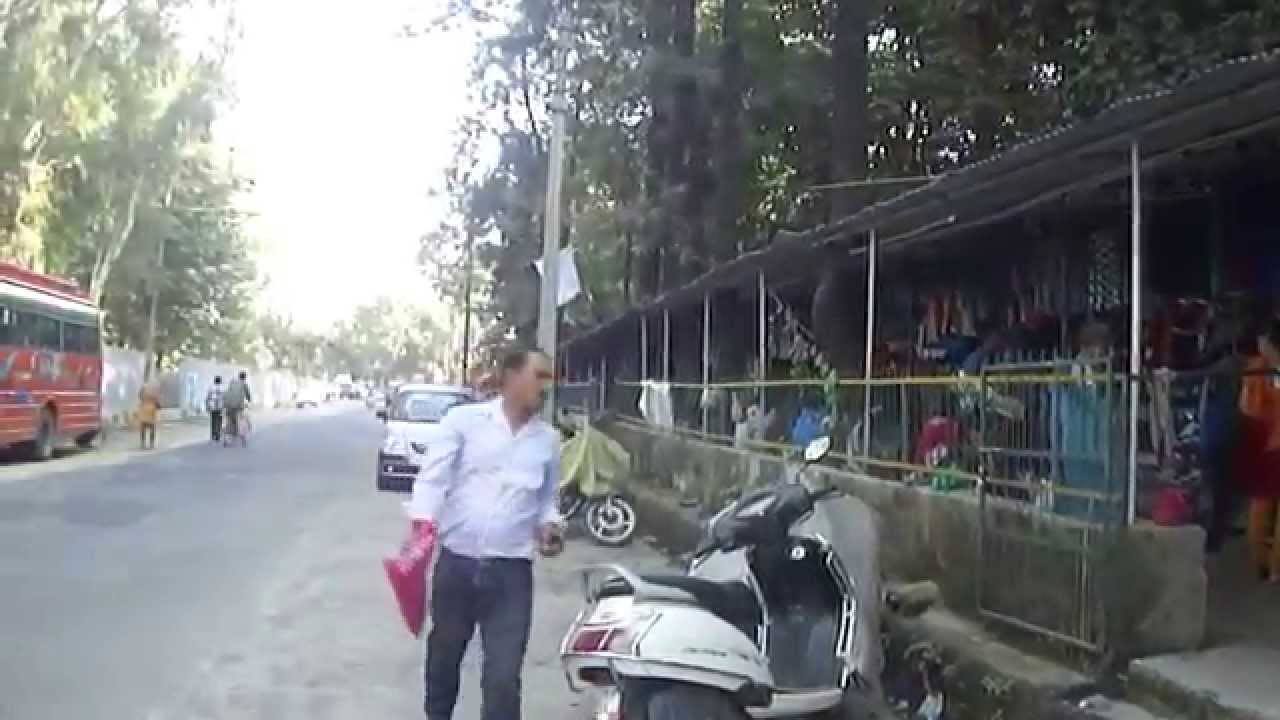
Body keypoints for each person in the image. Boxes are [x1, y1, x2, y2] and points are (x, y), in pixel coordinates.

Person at [409, 348, 563, 720]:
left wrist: (551, 527)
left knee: (503, 678)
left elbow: (547, 500)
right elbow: (432, 480)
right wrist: (420, 531)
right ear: (510, 376)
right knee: (444, 658)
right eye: (538, 375)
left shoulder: (548, 440)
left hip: (511, 573)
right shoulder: (463, 422)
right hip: (457, 564)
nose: (547, 385)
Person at [1237, 317, 1280, 582]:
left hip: (1266, 448)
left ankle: (1263, 564)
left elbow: (1248, 410)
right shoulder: (1259, 370)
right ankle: (1275, 569)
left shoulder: (1256, 371)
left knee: (1260, 508)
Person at [223, 371, 252, 443]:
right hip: (238, 406)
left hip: (228, 405)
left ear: (239, 376)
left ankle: (227, 437)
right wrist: (249, 400)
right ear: (245, 377)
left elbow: (228, 392)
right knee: (241, 420)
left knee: (230, 420)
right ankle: (242, 437)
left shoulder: (232, 382)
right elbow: (248, 396)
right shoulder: (244, 384)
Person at [138, 381, 161, 450]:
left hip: (146, 411)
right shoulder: (153, 390)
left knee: (144, 428)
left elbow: (140, 396)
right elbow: (157, 401)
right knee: (151, 428)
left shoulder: (144, 390)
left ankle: (143, 444)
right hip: (150, 412)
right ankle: (150, 444)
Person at [206, 376, 225, 442]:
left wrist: (207, 406)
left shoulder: (211, 388)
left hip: (213, 406)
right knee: (219, 421)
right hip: (220, 407)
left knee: (213, 420)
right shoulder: (223, 388)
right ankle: (218, 435)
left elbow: (208, 397)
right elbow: (224, 398)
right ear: (220, 381)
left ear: (214, 381)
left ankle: (213, 434)